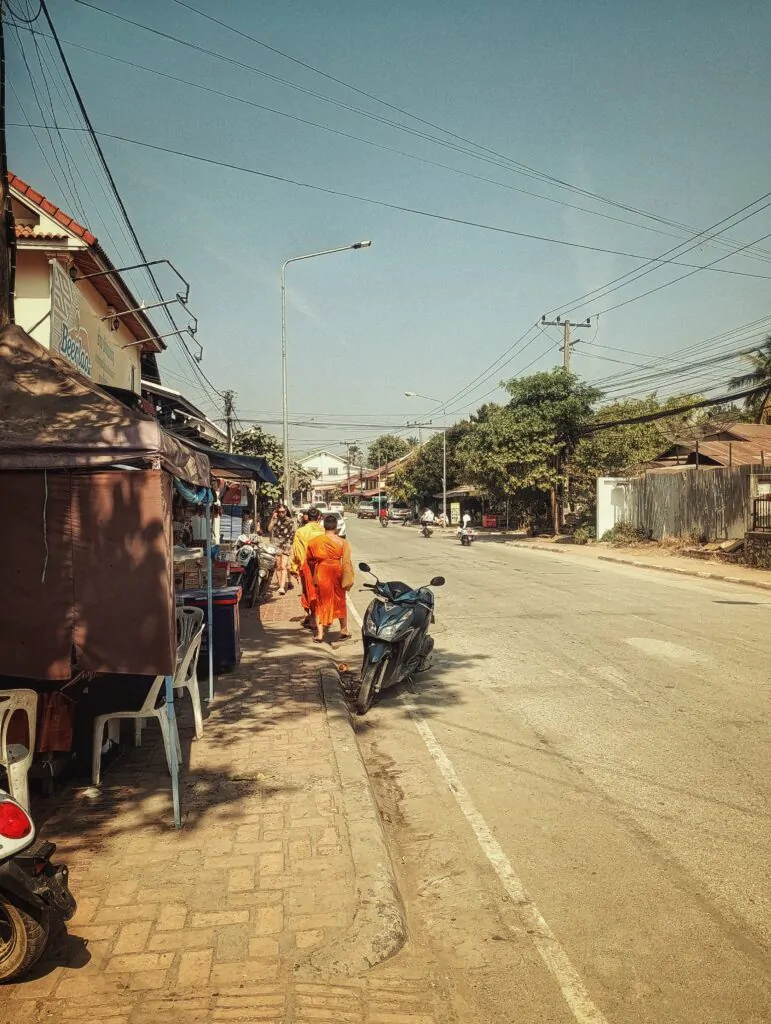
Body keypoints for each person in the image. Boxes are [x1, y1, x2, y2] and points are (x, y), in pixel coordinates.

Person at [305, 514, 354, 643]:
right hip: (337, 571)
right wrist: (348, 577)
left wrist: (313, 573)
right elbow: (347, 562)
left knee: (321, 602)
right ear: (336, 527)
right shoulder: (343, 542)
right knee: (340, 599)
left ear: (324, 526)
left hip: (322, 571)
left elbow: (309, 560)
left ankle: (320, 634)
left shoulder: (314, 541)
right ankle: (344, 630)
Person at [290, 507, 324, 627]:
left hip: (306, 564)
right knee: (317, 591)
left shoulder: (301, 531)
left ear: (308, 518)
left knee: (307, 590)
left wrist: (294, 566)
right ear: (318, 518)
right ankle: (314, 617)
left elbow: (296, 550)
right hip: (321, 564)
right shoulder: (323, 531)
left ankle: (312, 617)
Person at [267, 502, 295, 595]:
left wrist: (290, 545)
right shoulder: (275, 520)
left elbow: (293, 534)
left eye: (283, 512)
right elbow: (269, 529)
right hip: (276, 545)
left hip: (286, 545)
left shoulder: (290, 521)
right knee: (278, 566)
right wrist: (272, 519)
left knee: (283, 566)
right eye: (279, 512)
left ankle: (282, 587)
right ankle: (280, 585)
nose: (281, 513)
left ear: (286, 511)